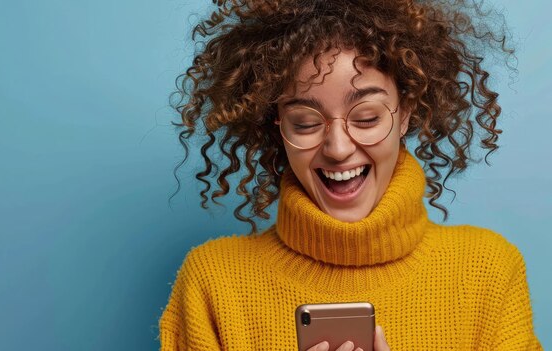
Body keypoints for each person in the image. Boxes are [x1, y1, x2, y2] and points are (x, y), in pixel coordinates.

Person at [159, 0, 542, 349]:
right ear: (277, 127)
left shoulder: (488, 272)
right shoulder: (212, 281)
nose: (338, 149)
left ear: (405, 112)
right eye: (306, 122)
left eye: (367, 117)